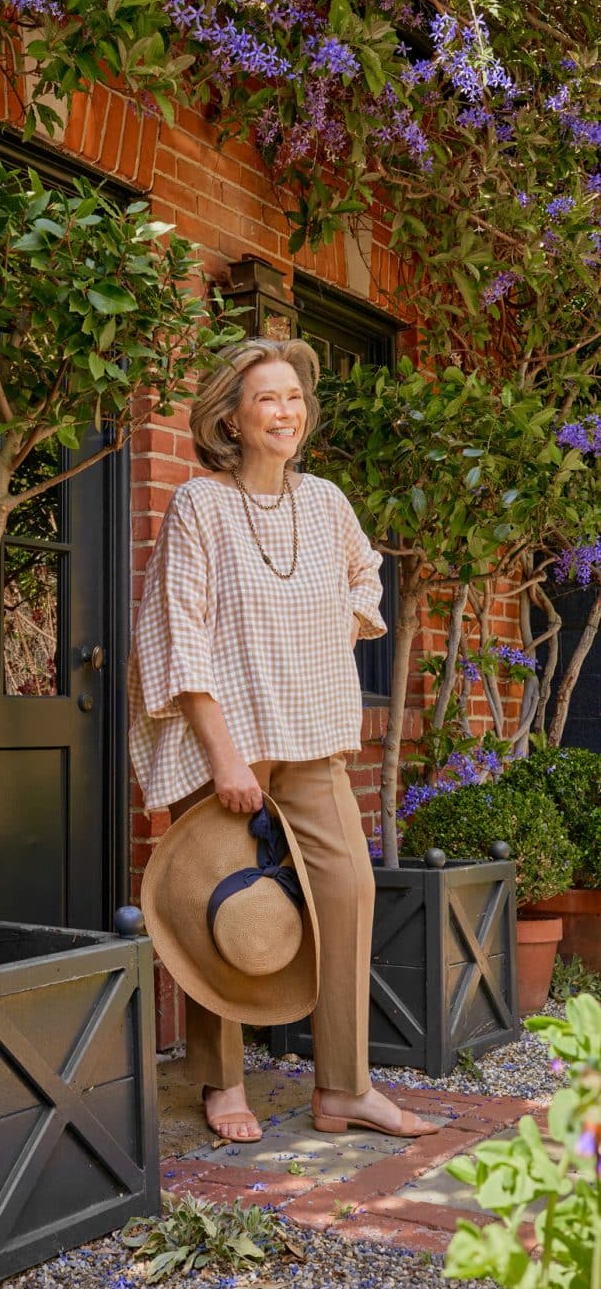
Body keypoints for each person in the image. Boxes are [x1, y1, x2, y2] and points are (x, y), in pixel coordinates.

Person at [129, 337, 438, 1143]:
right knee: (218, 904)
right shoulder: (199, 504)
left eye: (294, 399)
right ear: (229, 416)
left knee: (347, 891)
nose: (285, 412)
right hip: (227, 739)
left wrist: (336, 624)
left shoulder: (327, 500)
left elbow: (363, 574)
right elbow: (179, 635)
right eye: (267, 398)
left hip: (312, 735)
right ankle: (219, 1079)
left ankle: (342, 1087)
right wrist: (225, 756)